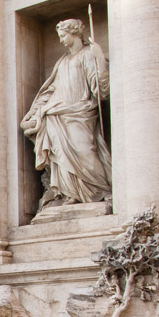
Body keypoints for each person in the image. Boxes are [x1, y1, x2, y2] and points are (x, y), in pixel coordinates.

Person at [21, 18, 111, 211]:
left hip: (81, 112)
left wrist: (100, 58)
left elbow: (101, 89)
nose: (61, 40)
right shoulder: (62, 62)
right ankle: (69, 193)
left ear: (74, 33)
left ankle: (101, 189)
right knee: (60, 155)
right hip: (56, 114)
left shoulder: (88, 54)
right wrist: (35, 113)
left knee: (85, 151)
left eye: (63, 36)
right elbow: (50, 90)